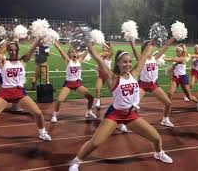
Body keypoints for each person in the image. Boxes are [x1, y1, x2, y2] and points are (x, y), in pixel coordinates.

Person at [68, 40, 173, 171]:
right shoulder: (112, 77)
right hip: (115, 114)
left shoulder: (134, 74)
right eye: (124, 62)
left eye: (129, 61)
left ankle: (159, 153)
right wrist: (88, 43)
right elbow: (98, 59)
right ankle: (76, 161)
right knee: (95, 142)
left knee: (156, 138)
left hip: (131, 115)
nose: (128, 64)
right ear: (118, 63)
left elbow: (146, 54)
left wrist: (153, 40)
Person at [0, 39, 52, 149]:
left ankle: (42, 133)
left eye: (15, 50)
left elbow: (32, 49)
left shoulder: (22, 61)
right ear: (7, 51)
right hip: (5, 93)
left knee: (38, 113)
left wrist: (38, 38)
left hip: (19, 93)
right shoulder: (3, 61)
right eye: (11, 50)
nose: (13, 52)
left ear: (18, 50)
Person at [130, 36, 176, 127]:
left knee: (168, 103)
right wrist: (131, 40)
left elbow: (165, 46)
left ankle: (165, 119)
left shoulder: (155, 57)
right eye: (148, 45)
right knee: (132, 105)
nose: (150, 47)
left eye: (151, 45)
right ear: (144, 48)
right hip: (142, 85)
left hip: (154, 84)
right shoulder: (141, 58)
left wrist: (174, 37)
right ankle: (124, 122)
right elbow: (134, 49)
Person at [50, 41, 96, 123]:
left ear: (77, 53)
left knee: (90, 97)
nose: (74, 53)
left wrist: (93, 43)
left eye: (75, 52)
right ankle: (54, 115)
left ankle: (89, 112)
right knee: (59, 100)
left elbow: (87, 50)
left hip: (77, 84)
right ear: (69, 54)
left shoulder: (80, 59)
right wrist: (54, 42)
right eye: (72, 52)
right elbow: (60, 50)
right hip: (68, 84)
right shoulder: (68, 60)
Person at [164, 44, 198, 111]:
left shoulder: (183, 58)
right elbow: (174, 64)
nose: (177, 52)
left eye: (178, 51)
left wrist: (163, 58)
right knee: (170, 93)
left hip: (183, 78)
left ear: (182, 52)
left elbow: (172, 59)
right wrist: (170, 69)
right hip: (176, 78)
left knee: (189, 97)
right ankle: (168, 107)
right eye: (176, 51)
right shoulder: (177, 58)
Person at [94, 42, 113, 108]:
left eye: (104, 46)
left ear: (108, 48)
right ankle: (98, 102)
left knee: (112, 89)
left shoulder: (108, 54)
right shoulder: (102, 56)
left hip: (108, 75)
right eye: (103, 46)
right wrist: (97, 67)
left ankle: (117, 101)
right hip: (101, 74)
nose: (102, 47)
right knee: (97, 88)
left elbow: (98, 55)